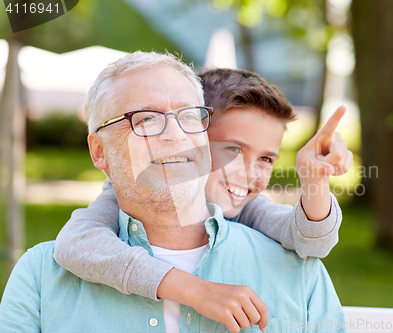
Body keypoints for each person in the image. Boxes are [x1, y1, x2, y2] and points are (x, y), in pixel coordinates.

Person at [0, 51, 347, 332]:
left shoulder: (293, 266)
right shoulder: (44, 275)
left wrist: (314, 182)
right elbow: (76, 242)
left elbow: (312, 236)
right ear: (99, 151)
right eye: (146, 119)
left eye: (189, 116)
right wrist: (194, 290)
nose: (174, 134)